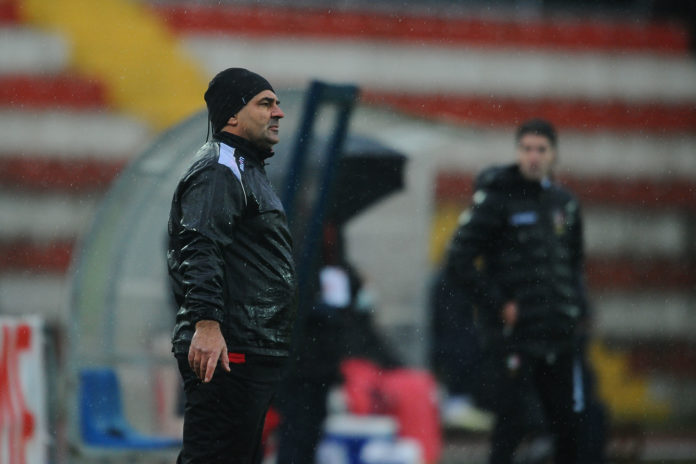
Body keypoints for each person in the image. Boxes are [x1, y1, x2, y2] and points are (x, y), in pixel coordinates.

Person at [445, 119, 606, 463]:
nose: (533, 157)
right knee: (512, 423)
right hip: (515, 336)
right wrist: (499, 303)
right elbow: (457, 260)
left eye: (541, 150)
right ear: (517, 152)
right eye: (526, 149)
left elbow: (572, 264)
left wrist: (578, 309)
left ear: (553, 155)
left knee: (569, 425)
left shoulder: (565, 203)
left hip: (559, 335)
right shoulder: (497, 199)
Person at [167, 68, 297, 464]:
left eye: (276, 103)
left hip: (246, 346)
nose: (278, 112)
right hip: (228, 348)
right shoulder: (220, 168)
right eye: (265, 103)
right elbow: (200, 245)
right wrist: (207, 325)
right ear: (233, 116)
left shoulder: (245, 167)